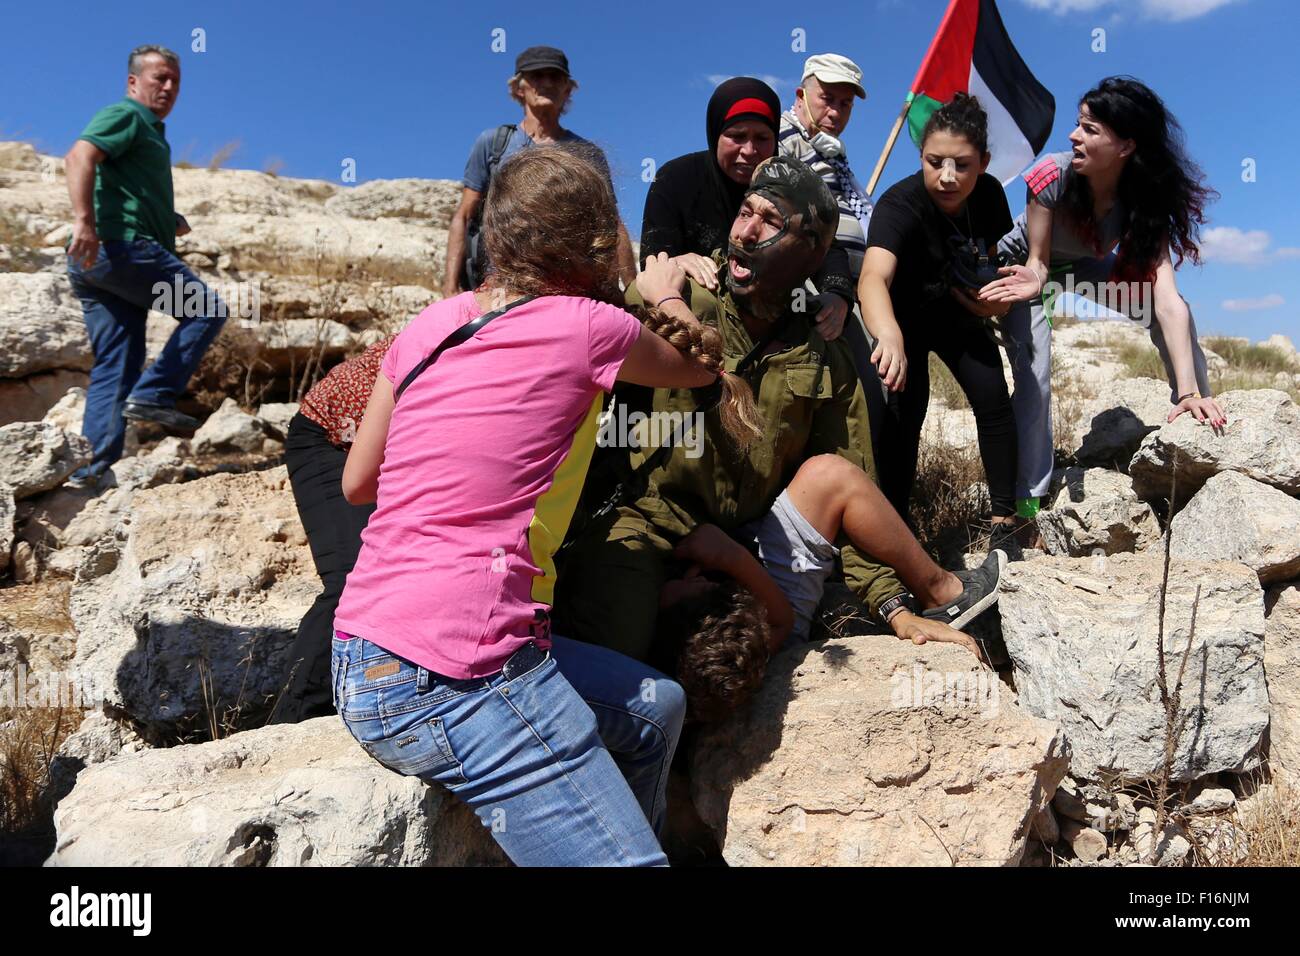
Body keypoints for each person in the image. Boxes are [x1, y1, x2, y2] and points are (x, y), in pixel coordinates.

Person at [331, 146, 756, 867]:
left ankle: (609, 827)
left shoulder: (427, 328)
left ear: (495, 234)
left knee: (657, 709)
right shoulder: (590, 328)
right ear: (597, 243)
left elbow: (357, 484)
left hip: (361, 659)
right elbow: (701, 372)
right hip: (462, 675)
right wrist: (660, 292)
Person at [556, 156, 1006, 675]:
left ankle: (943, 593)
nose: (745, 232)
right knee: (621, 656)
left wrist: (892, 608)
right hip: (647, 528)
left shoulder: (823, 348)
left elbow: (851, 488)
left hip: (746, 549)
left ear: (813, 251)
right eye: (744, 211)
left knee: (827, 487)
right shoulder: (674, 298)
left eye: (771, 221)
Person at [980, 76, 1227, 518]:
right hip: (1023, 269)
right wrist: (1033, 282)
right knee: (1034, 375)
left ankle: (1195, 413)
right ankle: (1028, 501)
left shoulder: (1143, 200)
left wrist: (1188, 388)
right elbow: (1038, 265)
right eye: (1079, 125)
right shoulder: (1051, 175)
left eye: (1091, 129)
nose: (1075, 136)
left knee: (1171, 311)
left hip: (1075, 269)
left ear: (1127, 146)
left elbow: (1167, 298)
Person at [63, 45, 227, 488]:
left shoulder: (152, 133)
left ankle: (88, 473)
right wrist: (84, 223)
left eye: (175, 80)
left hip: (98, 265)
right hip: (119, 250)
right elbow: (79, 156)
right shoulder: (127, 115)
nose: (169, 87)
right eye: (159, 78)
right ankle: (153, 395)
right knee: (208, 309)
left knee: (116, 365)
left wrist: (166, 220)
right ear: (133, 82)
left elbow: (120, 183)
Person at [858, 94, 1019, 541]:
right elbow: (872, 277)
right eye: (935, 162)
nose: (947, 177)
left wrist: (996, 302)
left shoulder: (989, 197)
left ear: (984, 162)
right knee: (905, 417)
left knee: (993, 399)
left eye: (962, 165)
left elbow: (988, 261)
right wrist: (888, 335)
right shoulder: (899, 204)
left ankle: (1007, 521)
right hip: (903, 319)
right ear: (921, 157)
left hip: (957, 314)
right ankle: (894, 528)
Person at [640, 77, 853, 343]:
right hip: (698, 318)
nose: (750, 151)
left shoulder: (791, 186)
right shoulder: (675, 180)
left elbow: (826, 247)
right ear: (715, 133)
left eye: (762, 138)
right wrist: (674, 261)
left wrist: (838, 295)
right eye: (737, 136)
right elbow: (651, 264)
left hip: (773, 319)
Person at [267, 334, 395, 724]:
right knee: (353, 576)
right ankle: (291, 720)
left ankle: (367, 699)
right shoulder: (469, 326)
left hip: (387, 447)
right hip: (333, 440)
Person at [441, 45, 635, 297]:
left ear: (568, 89)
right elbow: (464, 216)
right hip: (500, 286)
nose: (547, 83)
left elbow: (610, 223)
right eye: (537, 76)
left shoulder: (588, 153)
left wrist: (629, 290)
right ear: (519, 88)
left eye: (555, 77)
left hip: (573, 288)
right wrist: (449, 287)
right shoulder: (493, 143)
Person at [778, 53, 888, 449]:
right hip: (822, 282)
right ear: (801, 94)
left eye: (846, 104)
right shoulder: (781, 138)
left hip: (861, 280)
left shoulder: (832, 152)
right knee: (861, 386)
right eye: (827, 98)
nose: (837, 111)